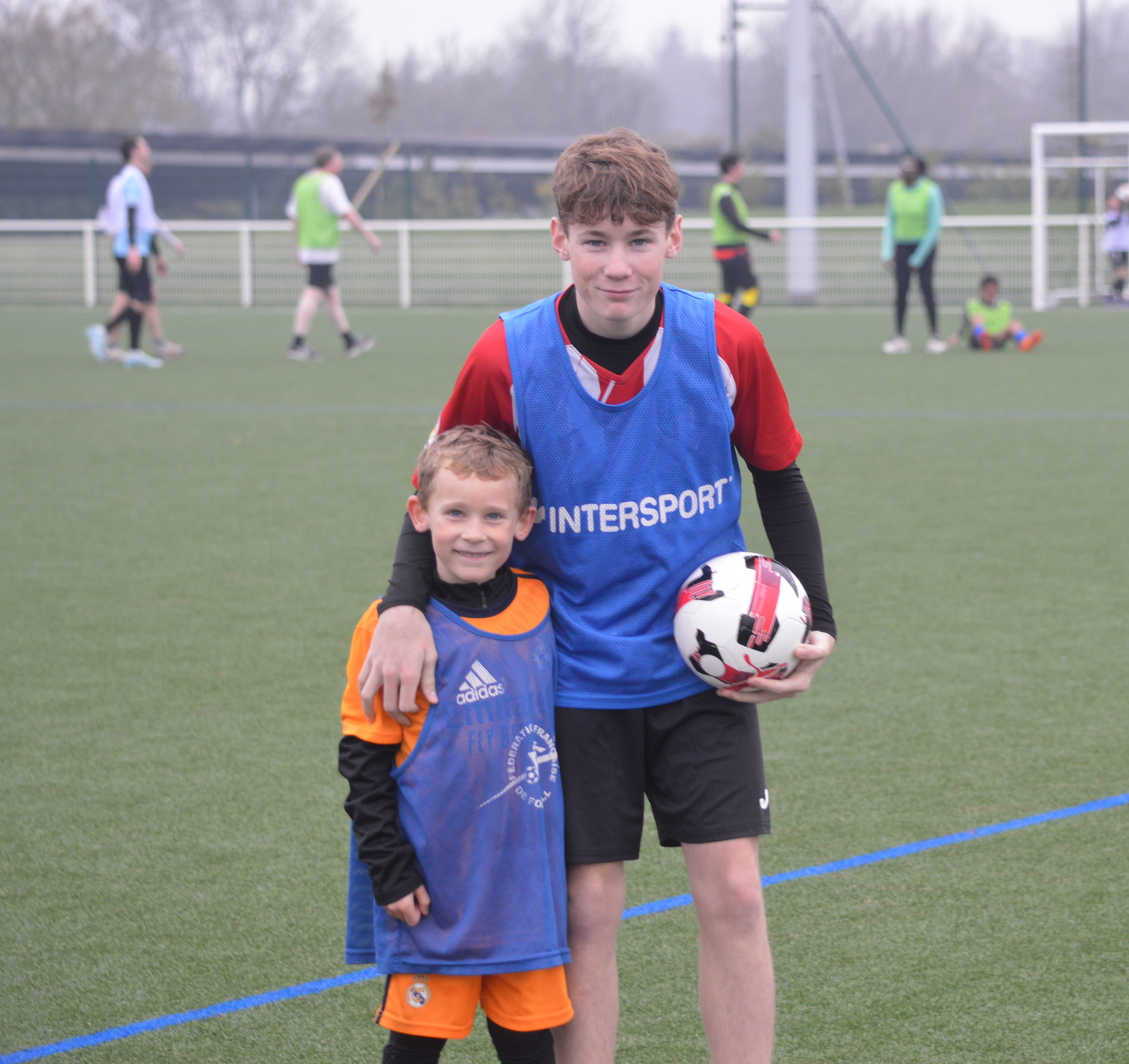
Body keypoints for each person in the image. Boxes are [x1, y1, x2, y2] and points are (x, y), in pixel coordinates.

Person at [356, 128, 837, 1064]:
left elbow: (779, 477)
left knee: (735, 893)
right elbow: (435, 483)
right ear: (560, 239)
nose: (618, 265)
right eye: (595, 240)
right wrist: (403, 604)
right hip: (568, 676)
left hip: (705, 671)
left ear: (674, 238)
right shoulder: (507, 353)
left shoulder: (726, 340)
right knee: (588, 906)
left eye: (639, 240)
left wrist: (814, 619)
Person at [341, 425, 571, 1064]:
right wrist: (390, 870)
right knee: (414, 1049)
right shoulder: (390, 630)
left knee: (531, 1049)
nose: (474, 533)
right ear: (419, 515)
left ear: (524, 522)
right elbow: (363, 761)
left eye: (494, 516)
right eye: (455, 513)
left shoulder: (543, 605)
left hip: (527, 894)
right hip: (434, 896)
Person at [84, 135, 185, 369]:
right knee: (143, 298)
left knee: (134, 298)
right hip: (132, 248)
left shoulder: (132, 177)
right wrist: (133, 247)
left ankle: (134, 350)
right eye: (143, 145)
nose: (148, 149)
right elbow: (132, 214)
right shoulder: (131, 178)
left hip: (134, 246)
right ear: (134, 152)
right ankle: (105, 332)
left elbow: (145, 220)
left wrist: (157, 252)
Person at [286, 145, 381, 362]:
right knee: (313, 292)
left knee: (331, 294)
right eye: (339, 160)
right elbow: (347, 212)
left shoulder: (303, 182)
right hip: (323, 247)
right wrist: (369, 235)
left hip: (310, 247)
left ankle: (349, 341)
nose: (341, 164)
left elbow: (294, 217)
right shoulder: (329, 182)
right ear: (329, 162)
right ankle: (297, 344)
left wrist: (299, 247)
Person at [879, 154, 945, 354]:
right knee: (901, 292)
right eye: (902, 168)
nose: (904, 172)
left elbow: (934, 226)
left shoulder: (930, 191)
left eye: (909, 169)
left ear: (918, 171)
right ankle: (899, 337)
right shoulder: (894, 190)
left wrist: (918, 258)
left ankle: (934, 337)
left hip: (924, 246)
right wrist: (887, 252)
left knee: (926, 290)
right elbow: (890, 221)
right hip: (902, 245)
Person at [710, 153, 779, 318]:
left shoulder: (725, 191)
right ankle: (735, 326)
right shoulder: (725, 193)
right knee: (752, 290)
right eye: (741, 166)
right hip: (731, 251)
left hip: (730, 250)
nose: (743, 170)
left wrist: (745, 250)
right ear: (732, 168)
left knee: (728, 293)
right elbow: (736, 224)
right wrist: (766, 236)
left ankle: (716, 326)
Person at [949, 274, 1043, 352]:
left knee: (1014, 323)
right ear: (982, 291)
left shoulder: (1005, 306)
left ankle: (1025, 341)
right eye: (988, 291)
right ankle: (984, 339)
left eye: (993, 292)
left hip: (997, 339)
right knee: (977, 318)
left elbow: (1007, 329)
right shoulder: (972, 305)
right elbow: (965, 325)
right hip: (977, 342)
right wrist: (957, 336)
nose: (990, 294)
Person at [1101, 191, 1129, 306]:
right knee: (1121, 272)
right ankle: (1116, 296)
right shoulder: (1110, 215)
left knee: (1122, 273)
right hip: (1115, 247)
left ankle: (1112, 295)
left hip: (1124, 246)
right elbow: (1114, 223)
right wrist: (1120, 211)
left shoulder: (1125, 214)